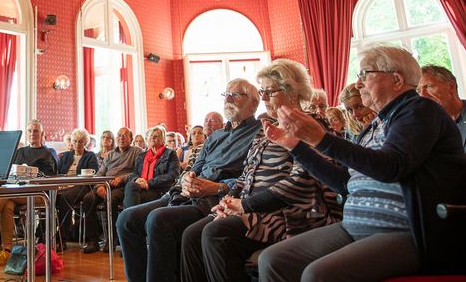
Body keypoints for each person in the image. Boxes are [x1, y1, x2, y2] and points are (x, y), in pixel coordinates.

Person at [258, 44, 466, 281]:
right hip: (354, 225)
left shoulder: (420, 109)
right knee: (274, 260)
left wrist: (321, 138)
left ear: (396, 79)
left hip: (408, 232)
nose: (358, 84)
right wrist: (295, 146)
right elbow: (345, 184)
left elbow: (391, 167)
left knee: (318, 275)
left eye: (364, 74)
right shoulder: (374, 126)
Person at [180, 59, 341, 282]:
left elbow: (300, 182)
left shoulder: (309, 125)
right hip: (251, 208)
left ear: (292, 92)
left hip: (287, 213)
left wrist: (245, 204)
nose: (263, 97)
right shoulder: (266, 128)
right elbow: (246, 174)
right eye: (262, 91)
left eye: (269, 91)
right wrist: (230, 199)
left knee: (216, 233)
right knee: (191, 235)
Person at [116, 79, 262, 282]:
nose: (228, 98)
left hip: (213, 199)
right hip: (184, 193)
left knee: (157, 220)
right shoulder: (216, 136)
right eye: (225, 94)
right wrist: (187, 178)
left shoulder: (258, 134)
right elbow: (195, 167)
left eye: (235, 95)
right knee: (126, 219)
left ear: (254, 103)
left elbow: (251, 177)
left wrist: (217, 187)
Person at [0, 120, 58, 266]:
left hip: (39, 194)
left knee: (5, 194)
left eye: (35, 131)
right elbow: (10, 172)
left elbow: (50, 180)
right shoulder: (20, 152)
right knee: (7, 204)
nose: (32, 134)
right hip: (17, 192)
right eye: (29, 131)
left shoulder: (48, 154)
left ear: (42, 134)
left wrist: (32, 174)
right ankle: (7, 251)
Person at [82, 127, 142, 254]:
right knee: (88, 199)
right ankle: (93, 240)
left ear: (131, 139)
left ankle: (112, 238)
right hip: (105, 184)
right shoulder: (110, 154)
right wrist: (99, 186)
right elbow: (100, 173)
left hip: (122, 185)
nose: (121, 137)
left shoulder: (136, 152)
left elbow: (138, 172)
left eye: (125, 135)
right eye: (119, 135)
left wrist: (122, 178)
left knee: (111, 200)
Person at [56, 128, 100, 240]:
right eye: (75, 141)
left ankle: (62, 237)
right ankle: (44, 235)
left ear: (85, 142)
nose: (77, 144)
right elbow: (59, 173)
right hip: (64, 185)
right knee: (51, 196)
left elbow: (93, 174)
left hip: (82, 186)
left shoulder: (90, 156)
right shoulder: (65, 156)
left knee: (65, 197)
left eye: (80, 141)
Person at [123, 127, 180, 208]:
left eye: (156, 136)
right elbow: (134, 174)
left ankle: (128, 217)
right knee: (131, 186)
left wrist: (148, 183)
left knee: (131, 194)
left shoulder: (170, 154)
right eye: (151, 136)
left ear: (163, 140)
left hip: (160, 191)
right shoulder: (142, 155)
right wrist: (137, 179)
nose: (153, 137)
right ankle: (131, 217)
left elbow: (173, 175)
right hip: (141, 188)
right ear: (147, 139)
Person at [418, 64, 466, 150]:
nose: (422, 95)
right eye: (418, 91)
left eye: (429, 87)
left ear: (451, 86)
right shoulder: (427, 127)